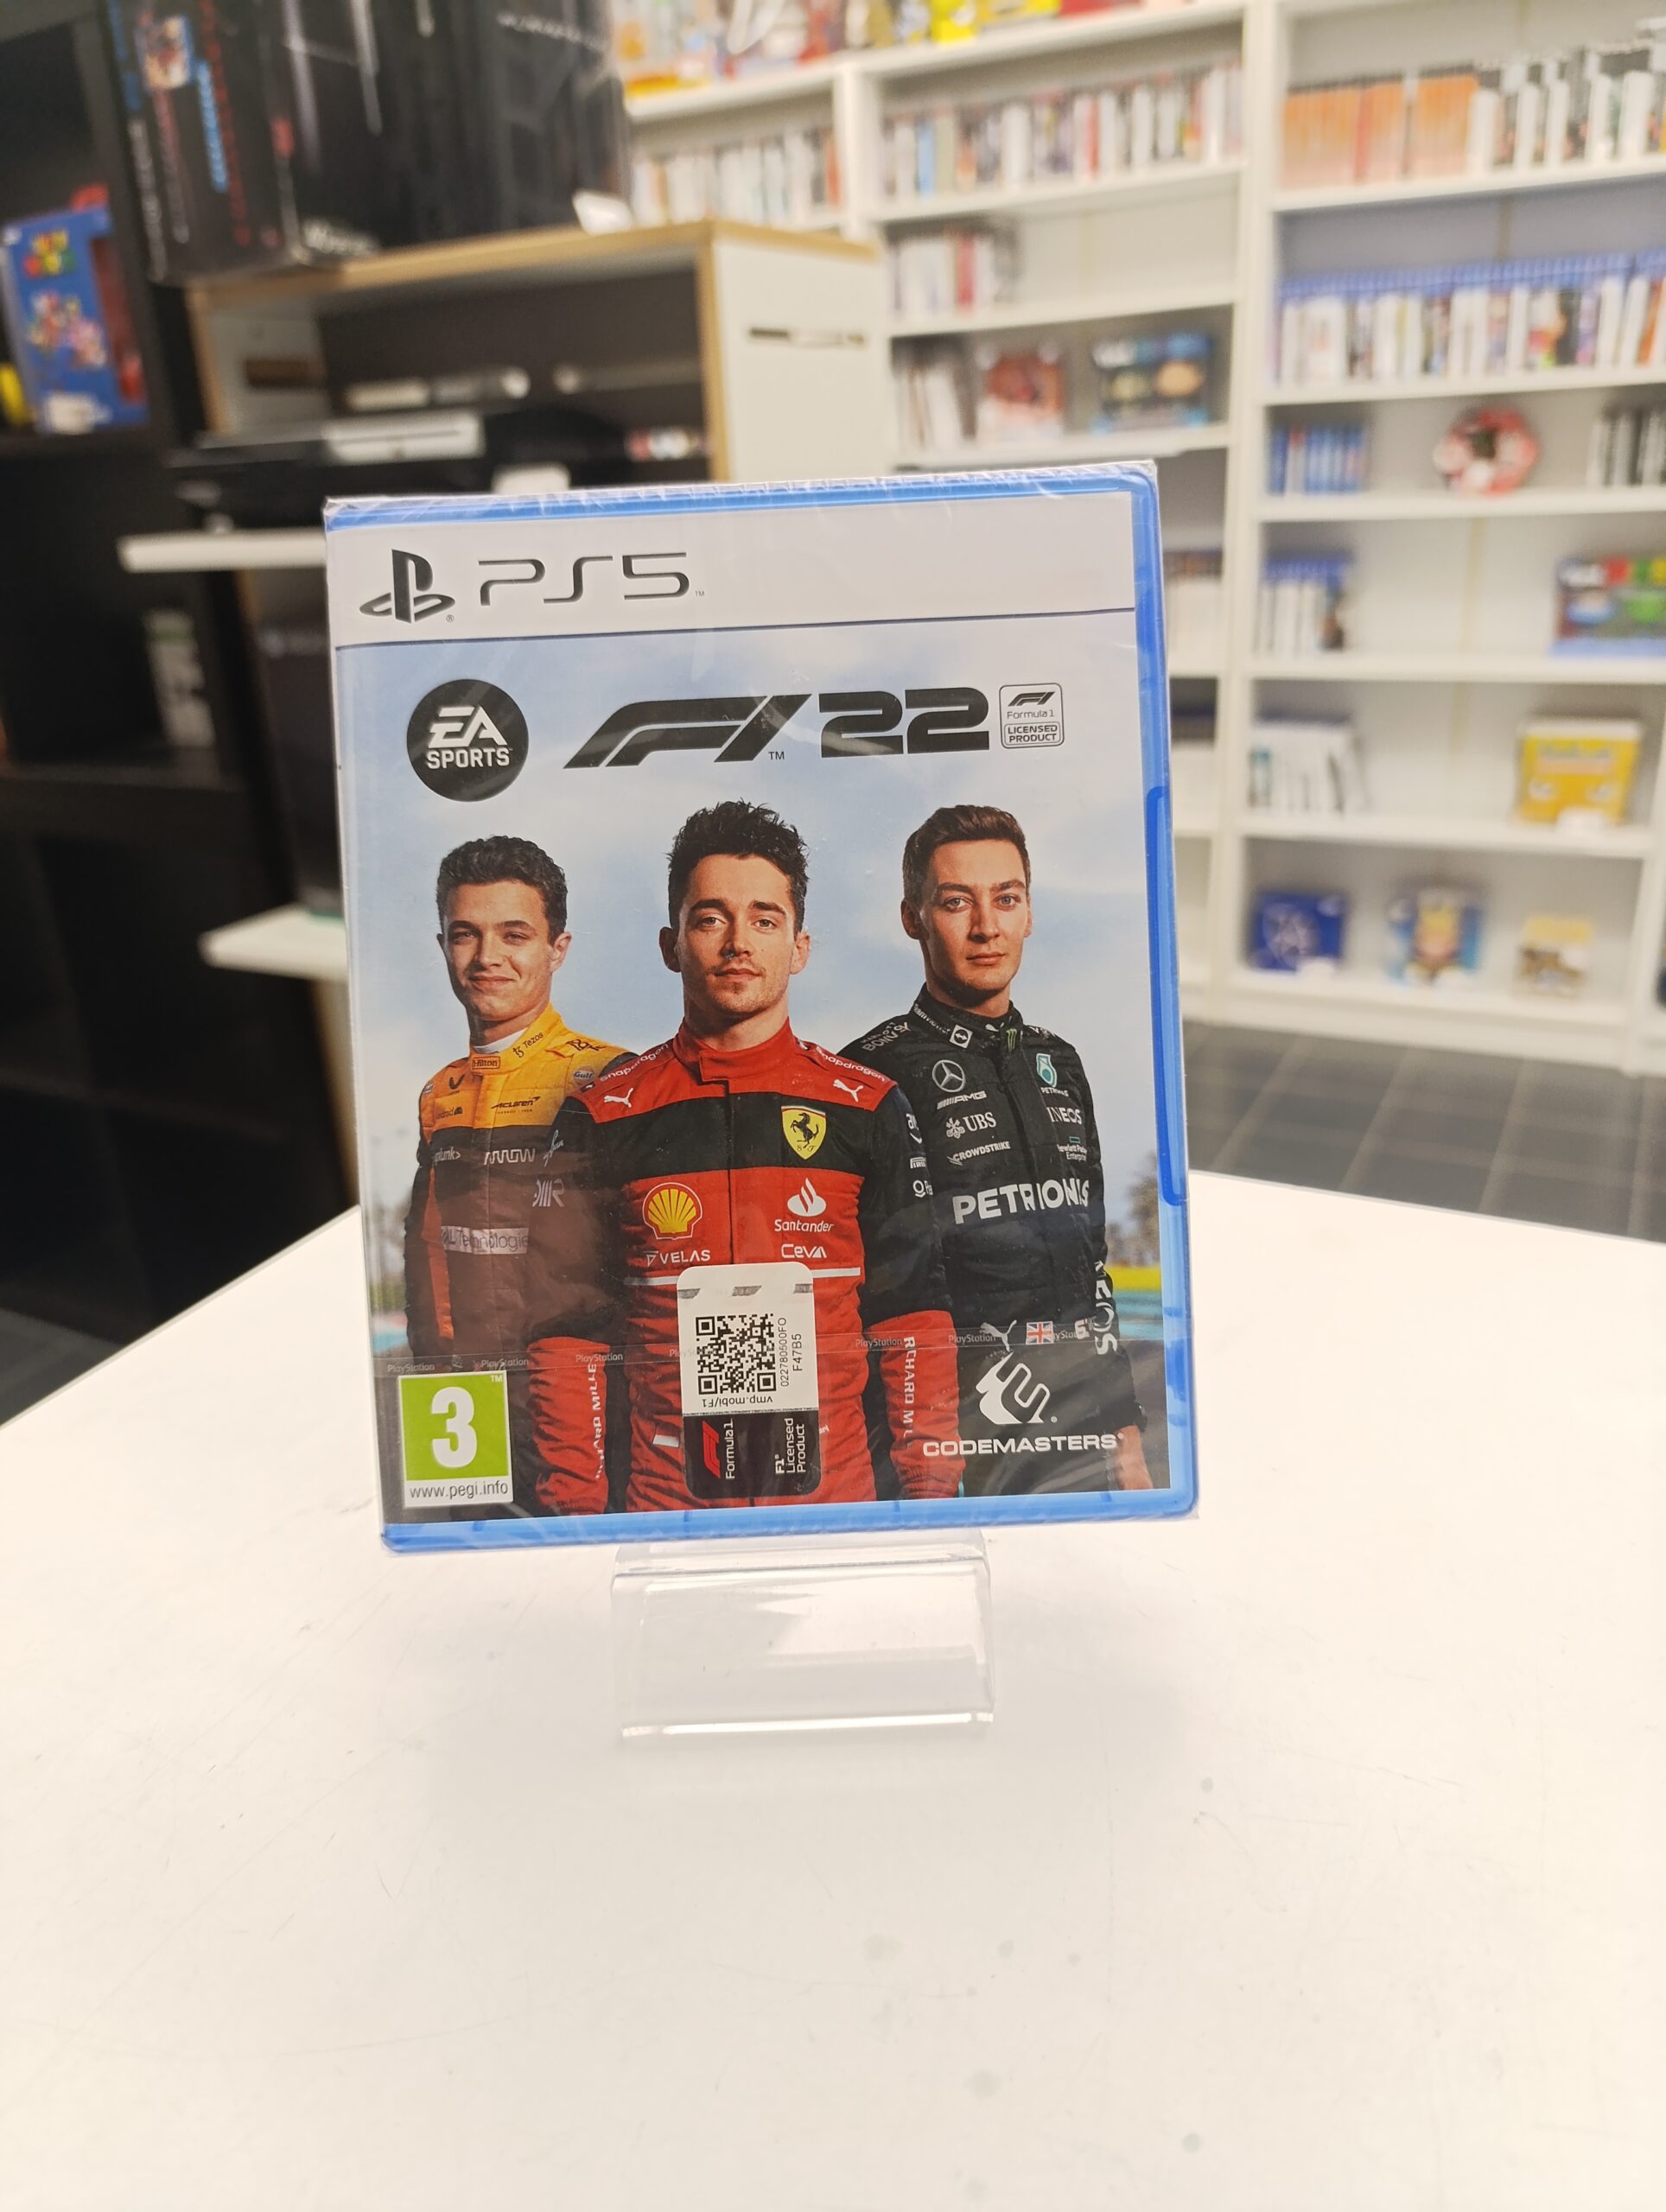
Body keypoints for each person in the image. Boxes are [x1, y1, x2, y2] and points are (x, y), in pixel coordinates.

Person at [525, 800, 959, 1515]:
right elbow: (566, 1339)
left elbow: (912, 1321)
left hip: (835, 1517)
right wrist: (575, 1519)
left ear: (800, 946)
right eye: (710, 919)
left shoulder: (869, 1107)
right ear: (670, 945)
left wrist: (932, 1497)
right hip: (666, 1520)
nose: (737, 944)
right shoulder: (601, 1116)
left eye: (764, 920)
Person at [843, 804, 1152, 1493]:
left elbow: (1091, 1264)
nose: (987, 927)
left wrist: (1123, 1429)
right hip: (938, 1443)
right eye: (957, 902)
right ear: (913, 918)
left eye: (1006, 899)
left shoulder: (1059, 1062)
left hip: (1074, 1430)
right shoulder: (867, 1071)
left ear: (1030, 913)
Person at [405, 836, 626, 1510]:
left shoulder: (611, 1076)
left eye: (514, 934)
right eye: (465, 934)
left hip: (585, 1413)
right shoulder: (438, 1093)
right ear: (443, 945)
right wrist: (434, 1377)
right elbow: (429, 1261)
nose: (487, 957)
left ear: (558, 948)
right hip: (465, 1411)